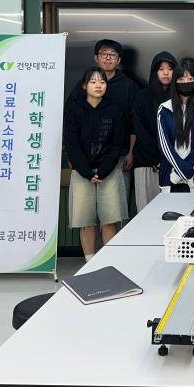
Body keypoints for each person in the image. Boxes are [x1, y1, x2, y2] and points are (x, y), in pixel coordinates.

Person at [64, 66, 128, 261]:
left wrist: (103, 170)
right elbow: (71, 144)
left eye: (102, 82)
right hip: (82, 172)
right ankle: (89, 262)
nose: (98, 85)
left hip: (109, 171)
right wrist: (87, 171)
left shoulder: (115, 108)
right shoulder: (74, 109)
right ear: (85, 86)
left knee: (110, 219)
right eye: (93, 82)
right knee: (86, 221)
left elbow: (118, 143)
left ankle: (109, 261)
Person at [69, 39, 139, 201]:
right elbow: (70, 122)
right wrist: (74, 157)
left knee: (115, 208)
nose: (108, 58)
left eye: (112, 55)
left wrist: (131, 152)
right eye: (104, 54)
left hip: (118, 157)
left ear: (119, 60)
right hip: (84, 158)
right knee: (85, 211)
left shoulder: (129, 86)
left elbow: (134, 123)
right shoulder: (82, 86)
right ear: (96, 58)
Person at [157, 58, 194, 193]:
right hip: (170, 181)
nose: (186, 82)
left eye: (190, 79)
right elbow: (164, 146)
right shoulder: (164, 109)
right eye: (181, 79)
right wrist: (181, 171)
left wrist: (181, 172)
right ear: (175, 82)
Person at [132, 51, 177, 210]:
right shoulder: (142, 96)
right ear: (154, 72)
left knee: (172, 212)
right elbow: (140, 130)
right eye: (161, 69)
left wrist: (167, 159)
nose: (166, 73)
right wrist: (156, 158)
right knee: (145, 212)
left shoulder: (180, 98)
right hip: (146, 162)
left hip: (174, 165)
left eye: (170, 69)